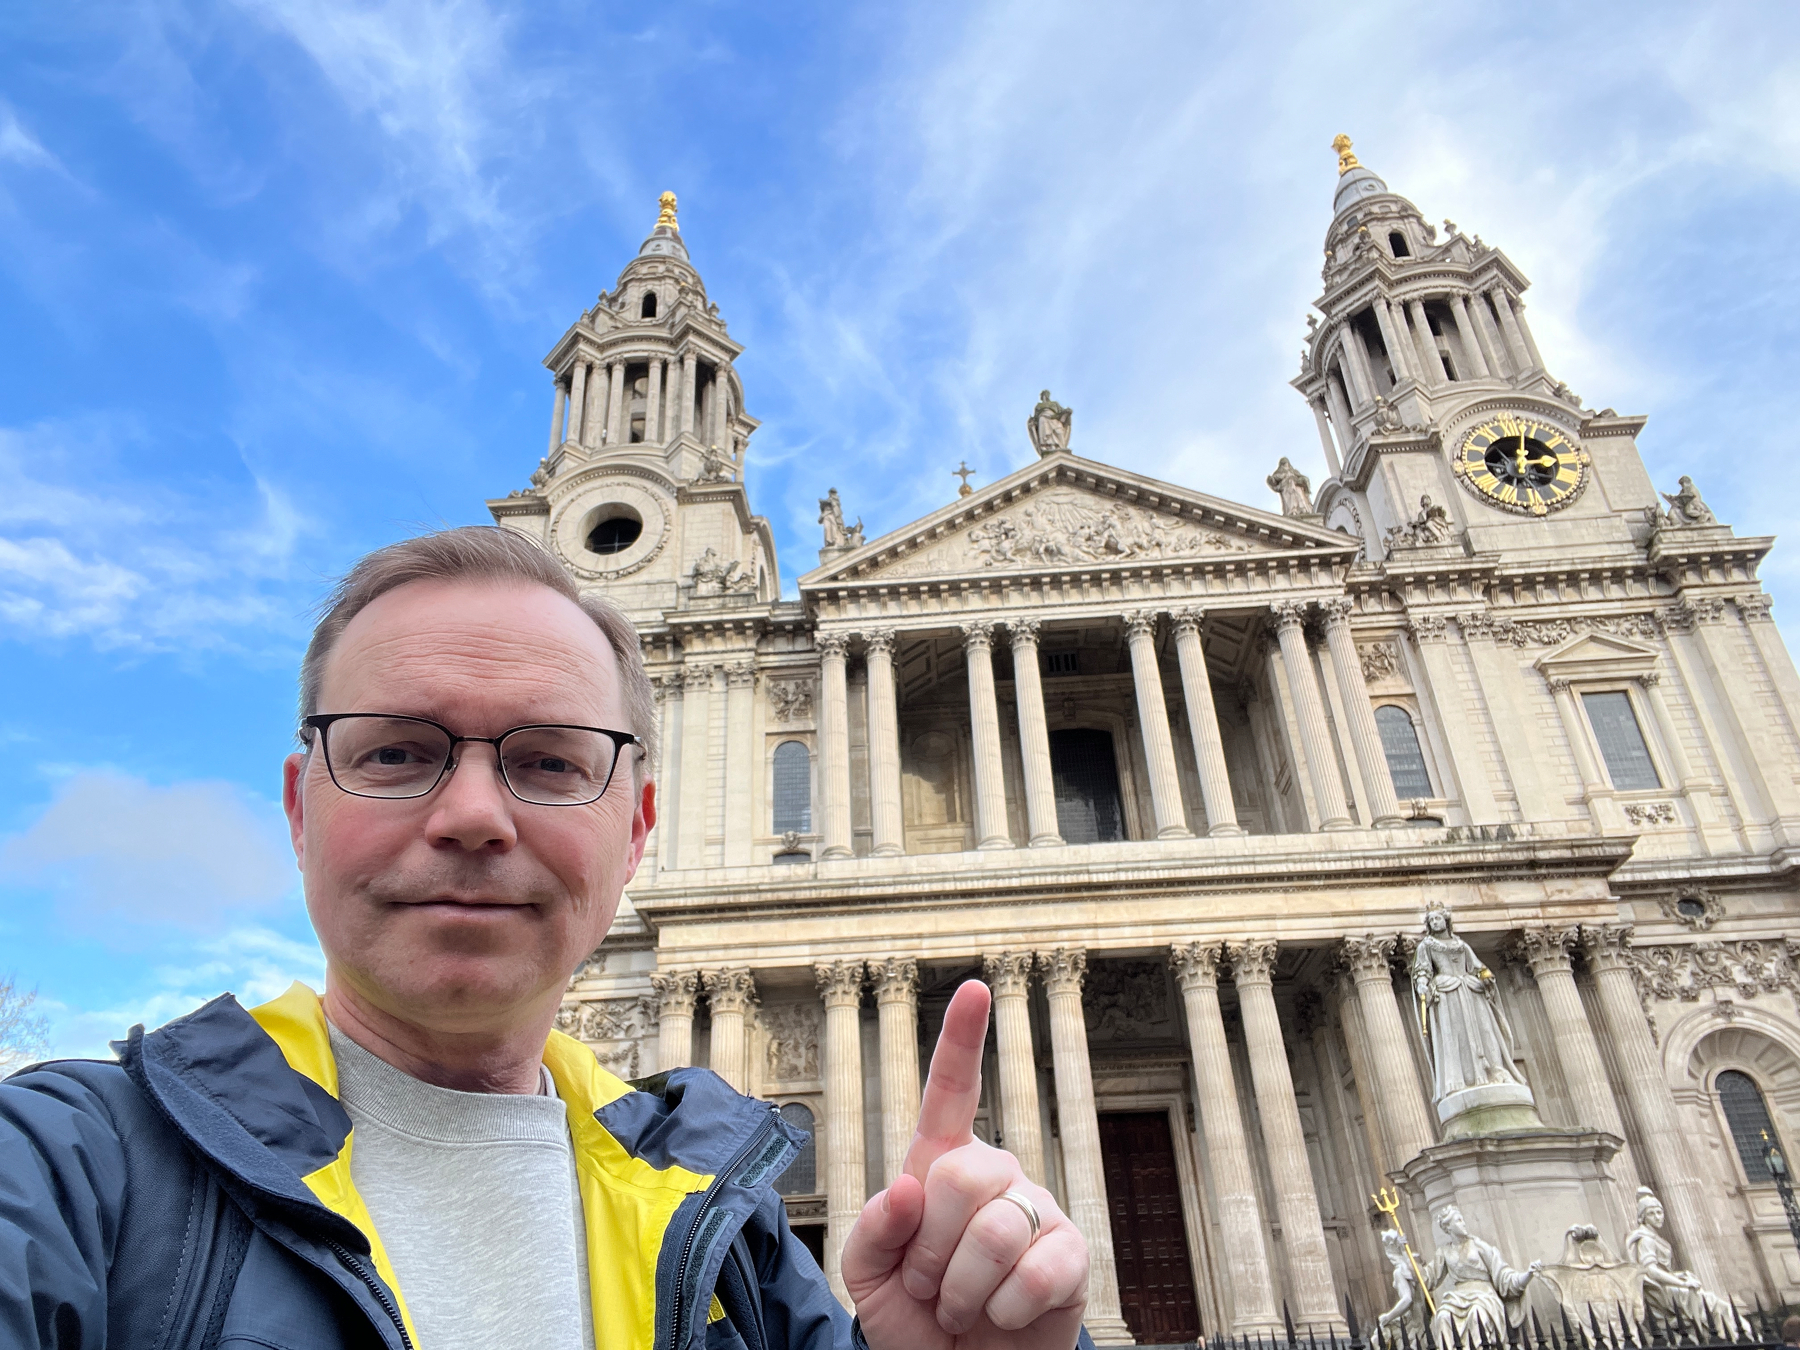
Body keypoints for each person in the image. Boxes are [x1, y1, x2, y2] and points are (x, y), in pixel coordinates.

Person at [0, 526, 1091, 1350]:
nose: (473, 814)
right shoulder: (67, 1172)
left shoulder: (738, 1241)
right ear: (299, 807)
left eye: (549, 763)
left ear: (638, 832)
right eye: (396, 752)